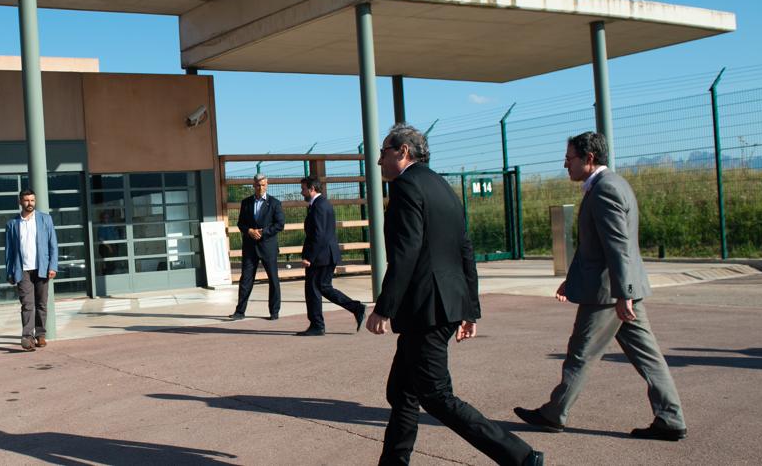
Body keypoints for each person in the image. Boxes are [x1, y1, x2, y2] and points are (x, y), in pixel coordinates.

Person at [366, 123, 543, 466]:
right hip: (444, 304)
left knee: (436, 396)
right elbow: (465, 249)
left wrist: (383, 307)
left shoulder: (406, 187)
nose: (378, 161)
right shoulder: (443, 187)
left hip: (427, 309)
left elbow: (407, 252)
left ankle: (520, 456)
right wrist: (470, 309)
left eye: (384, 152)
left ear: (402, 152)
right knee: (402, 391)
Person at [514, 131, 687, 441]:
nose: (566, 165)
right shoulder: (610, 185)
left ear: (589, 159)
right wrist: (574, 279)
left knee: (580, 354)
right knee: (648, 357)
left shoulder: (605, 189)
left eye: (569, 159)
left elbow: (617, 246)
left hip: (609, 294)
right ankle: (670, 417)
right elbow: (595, 245)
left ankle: (554, 413)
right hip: (618, 290)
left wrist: (624, 294)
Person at [296, 176, 366, 336]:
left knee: (313, 289)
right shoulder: (321, 204)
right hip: (326, 255)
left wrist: (309, 257)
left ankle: (317, 325)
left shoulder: (319, 206)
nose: (302, 192)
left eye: (303, 189)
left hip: (321, 257)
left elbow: (319, 235)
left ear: (312, 188)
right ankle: (355, 308)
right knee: (324, 287)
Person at [5, 189, 59, 351]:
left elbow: (53, 245)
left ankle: (40, 334)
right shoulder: (12, 224)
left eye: (32, 200)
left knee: (41, 304)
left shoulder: (45, 219)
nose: (30, 204)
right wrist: (9, 272)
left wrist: (53, 266)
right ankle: (27, 337)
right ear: (20, 202)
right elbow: (9, 251)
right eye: (27, 201)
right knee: (27, 304)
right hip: (23, 271)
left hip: (42, 269)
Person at [229, 174, 285, 321]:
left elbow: (279, 224)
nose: (260, 188)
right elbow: (240, 223)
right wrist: (249, 231)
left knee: (273, 280)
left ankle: (274, 311)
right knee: (245, 280)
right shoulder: (246, 202)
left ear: (267, 185)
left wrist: (263, 232)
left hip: (268, 247)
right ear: (253, 185)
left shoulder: (275, 203)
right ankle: (240, 311)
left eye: (263, 185)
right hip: (250, 248)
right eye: (258, 185)